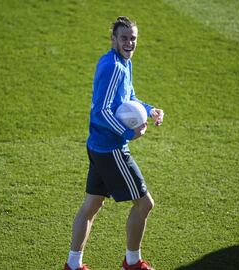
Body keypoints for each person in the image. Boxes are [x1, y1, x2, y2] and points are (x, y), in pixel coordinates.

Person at [64, 16, 164, 270]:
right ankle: (132, 263)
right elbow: (103, 111)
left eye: (133, 38)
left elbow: (128, 97)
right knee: (145, 204)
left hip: (98, 145)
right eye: (124, 38)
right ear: (113, 39)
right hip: (111, 148)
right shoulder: (114, 67)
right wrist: (129, 134)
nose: (129, 43)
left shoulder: (122, 62)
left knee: (92, 205)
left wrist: (149, 110)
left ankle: (72, 266)